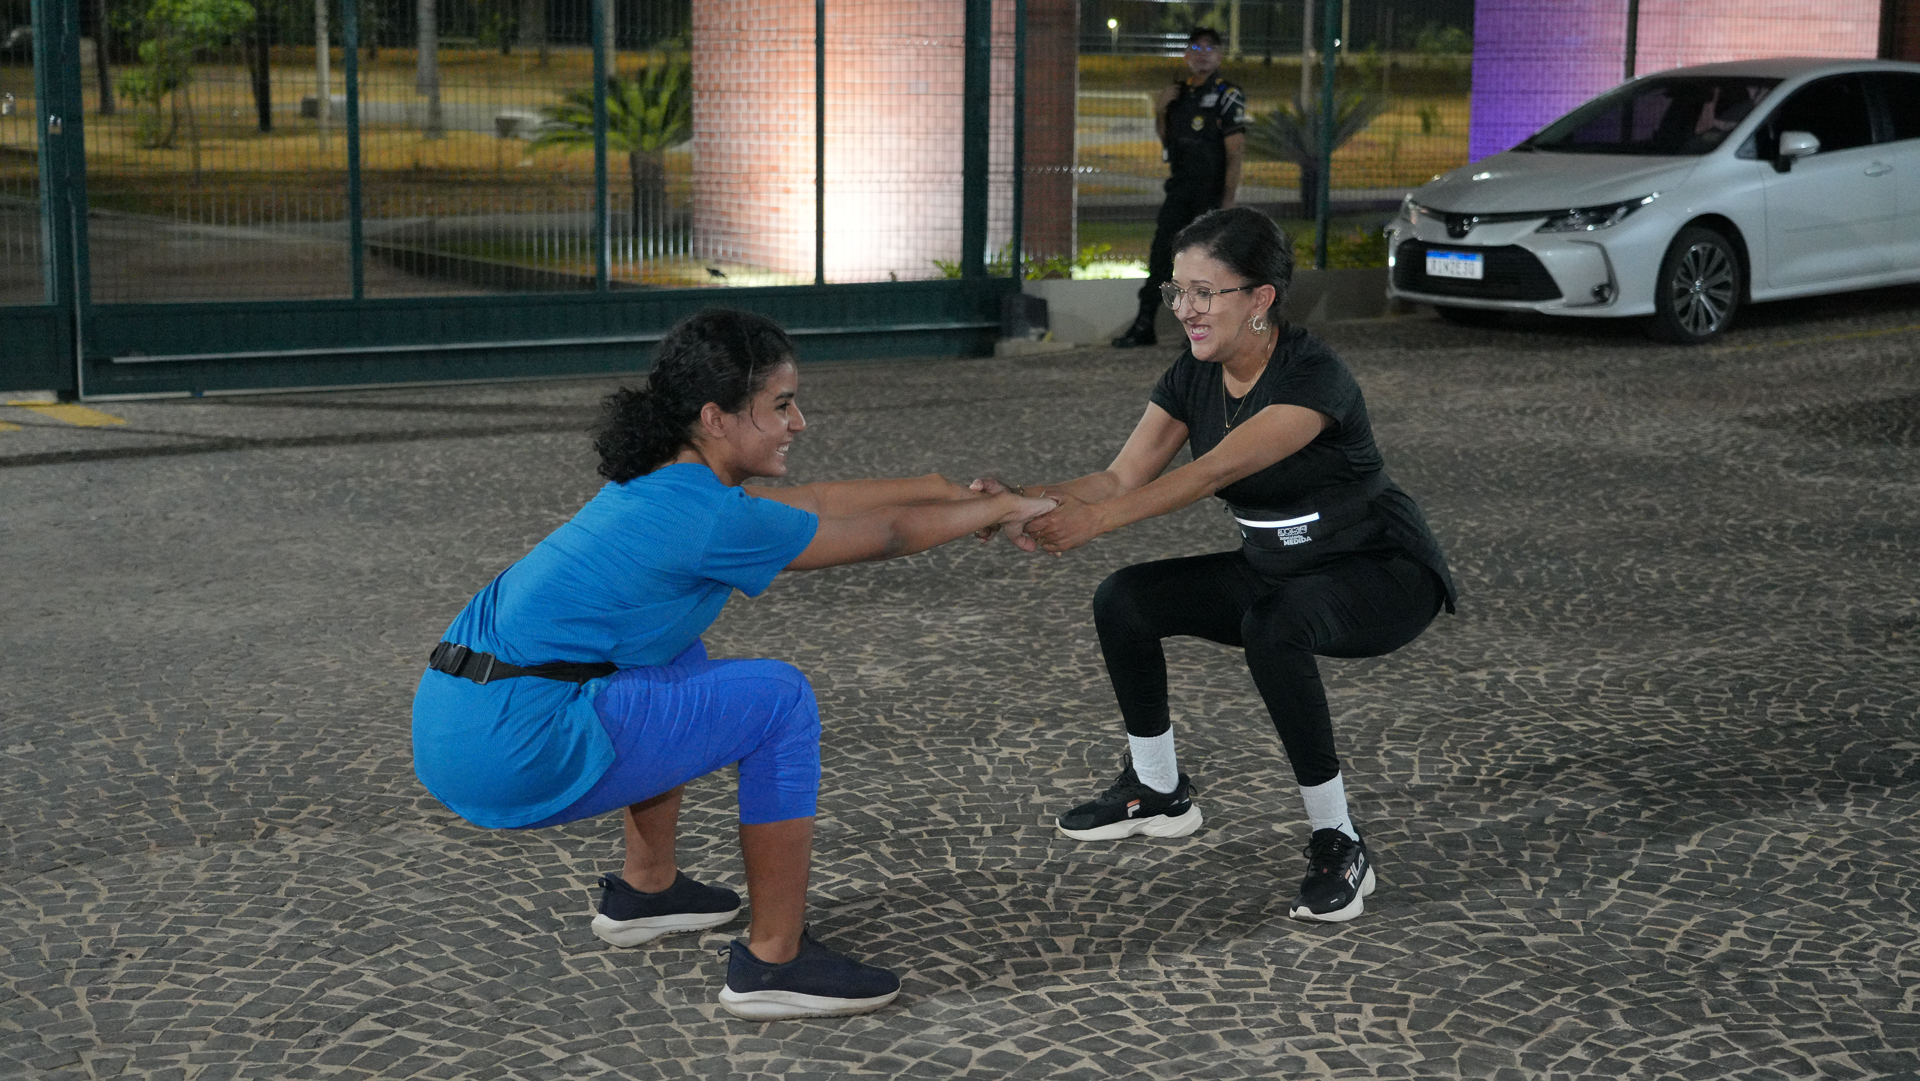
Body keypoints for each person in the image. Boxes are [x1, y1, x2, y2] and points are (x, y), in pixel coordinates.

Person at [411, 309, 1056, 1019]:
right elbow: (888, 535)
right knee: (780, 699)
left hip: (457, 720)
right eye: (780, 405)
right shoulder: (709, 518)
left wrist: (949, 492)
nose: (798, 422)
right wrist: (999, 511)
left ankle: (647, 891)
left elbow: (813, 501)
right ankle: (775, 960)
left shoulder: (665, 483)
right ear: (715, 418)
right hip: (513, 746)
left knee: (678, 656)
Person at [985, 207, 1456, 923]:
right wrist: (1013, 502)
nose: (1185, 309)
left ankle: (1339, 839)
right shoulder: (1194, 373)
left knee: (1274, 626)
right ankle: (1158, 791)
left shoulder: (1313, 377)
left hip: (1380, 573)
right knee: (1124, 599)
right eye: (1178, 291)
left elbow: (1210, 472)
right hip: (1275, 567)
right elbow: (1119, 477)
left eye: (1205, 292)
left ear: (1261, 297)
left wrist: (1095, 522)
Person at [1112, 26, 1247, 349]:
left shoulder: (1228, 94)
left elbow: (1235, 153)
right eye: (1196, 49)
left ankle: (1204, 330)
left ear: (1220, 56)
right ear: (1186, 55)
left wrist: (1227, 201)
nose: (1202, 56)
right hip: (1179, 190)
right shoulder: (1178, 94)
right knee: (1162, 256)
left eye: (1209, 49)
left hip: (1209, 194)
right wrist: (1161, 110)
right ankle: (1144, 324)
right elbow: (1167, 141)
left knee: (1206, 264)